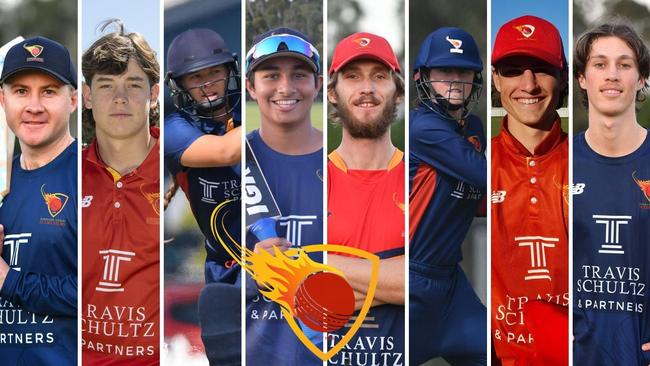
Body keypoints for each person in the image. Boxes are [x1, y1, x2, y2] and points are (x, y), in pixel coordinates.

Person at [81, 20, 160, 365]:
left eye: (133, 84)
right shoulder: (64, 171)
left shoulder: (183, 167)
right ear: (86, 96)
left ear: (153, 94)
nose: (120, 98)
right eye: (106, 85)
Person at [491, 15, 569, 365]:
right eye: (512, 69)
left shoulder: (592, 159)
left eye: (541, 67)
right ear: (495, 79)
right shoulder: (473, 162)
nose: (529, 84)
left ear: (564, 76)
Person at [326, 31, 406, 366]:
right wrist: (390, 280)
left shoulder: (422, 177)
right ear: (332, 93)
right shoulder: (312, 177)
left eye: (379, 76)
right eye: (353, 77)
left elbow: (422, 283)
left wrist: (326, 266)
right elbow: (295, 288)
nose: (367, 89)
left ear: (398, 92)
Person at [573, 20, 650, 365]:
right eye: (600, 64)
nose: (612, 75)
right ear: (582, 79)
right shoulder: (555, 165)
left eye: (625, 64)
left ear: (642, 79)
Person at [244, 27, 323, 365]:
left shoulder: (345, 158)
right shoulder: (230, 160)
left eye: (299, 75)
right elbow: (209, 271)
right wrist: (252, 272)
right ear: (250, 86)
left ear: (318, 85)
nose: (286, 88)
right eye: (271, 75)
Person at [409, 27, 486, 365]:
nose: (455, 80)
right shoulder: (423, 128)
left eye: (463, 71)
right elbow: (487, 176)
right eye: (444, 71)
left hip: (451, 283)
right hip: (408, 279)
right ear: (422, 77)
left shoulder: (474, 127)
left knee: (496, 350)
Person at [0, 36, 78, 366]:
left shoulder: (92, 175)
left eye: (48, 91)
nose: (34, 105)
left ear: (73, 100)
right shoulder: (4, 180)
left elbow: (104, 293)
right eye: (21, 91)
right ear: (2, 100)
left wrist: (7, 279)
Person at [164, 28, 241, 285]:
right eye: (196, 76)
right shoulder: (174, 129)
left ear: (229, 71)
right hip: (226, 269)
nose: (207, 83)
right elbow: (226, 152)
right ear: (180, 84)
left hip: (280, 256)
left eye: (215, 72)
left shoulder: (248, 109)